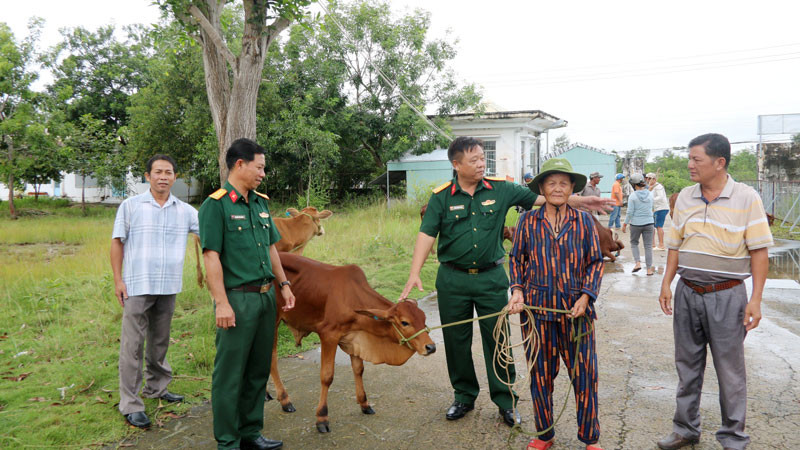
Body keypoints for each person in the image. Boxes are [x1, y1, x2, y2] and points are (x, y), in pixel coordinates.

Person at [399, 137, 613, 429]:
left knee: (498, 340)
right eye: (473, 160)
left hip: (490, 277)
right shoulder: (442, 197)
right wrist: (414, 272)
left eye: (481, 158)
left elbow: (546, 196)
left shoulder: (501, 189)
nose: (480, 164)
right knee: (456, 341)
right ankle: (463, 395)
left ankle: (506, 400)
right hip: (452, 279)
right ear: (456, 164)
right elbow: (427, 235)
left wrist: (584, 200)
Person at [657, 133, 772, 450]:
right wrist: (667, 283)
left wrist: (756, 299)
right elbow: (675, 245)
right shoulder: (684, 197)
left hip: (727, 294)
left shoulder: (746, 198)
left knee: (730, 370)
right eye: (690, 158)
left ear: (719, 162)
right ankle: (685, 429)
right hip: (687, 291)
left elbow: (760, 251)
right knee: (687, 365)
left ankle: (733, 436)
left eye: (697, 159)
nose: (690, 165)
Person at [198, 138, 296, 450]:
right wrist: (221, 303)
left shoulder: (260, 202)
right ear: (239, 165)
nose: (263, 173)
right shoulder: (215, 205)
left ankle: (251, 433)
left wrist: (284, 285)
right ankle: (228, 441)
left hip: (266, 298)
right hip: (236, 300)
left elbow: (271, 248)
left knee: (257, 371)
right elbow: (211, 257)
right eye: (259, 167)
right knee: (230, 375)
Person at [507, 158, 604, 450]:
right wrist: (517, 291)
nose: (557, 188)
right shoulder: (527, 221)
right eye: (551, 183)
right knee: (540, 376)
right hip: (536, 315)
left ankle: (590, 438)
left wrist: (586, 297)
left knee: (585, 376)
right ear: (542, 188)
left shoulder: (585, 221)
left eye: (563, 183)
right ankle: (545, 434)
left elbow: (595, 262)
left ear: (572, 188)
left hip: (577, 315)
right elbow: (516, 259)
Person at [111, 155, 199, 429]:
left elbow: (209, 232)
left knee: (160, 340)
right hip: (137, 285)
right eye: (158, 172)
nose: (163, 176)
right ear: (147, 176)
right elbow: (117, 243)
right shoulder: (131, 206)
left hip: (168, 285)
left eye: (168, 172)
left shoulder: (185, 210)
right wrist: (118, 280)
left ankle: (157, 388)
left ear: (175, 177)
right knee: (132, 345)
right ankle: (130, 403)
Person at [622, 174, 655, 276]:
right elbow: (652, 207)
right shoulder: (650, 194)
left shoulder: (633, 196)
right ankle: (649, 270)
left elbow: (630, 212)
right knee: (648, 246)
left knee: (634, 243)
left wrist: (625, 224)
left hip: (636, 224)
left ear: (633, 184)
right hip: (649, 223)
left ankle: (637, 263)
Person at [646, 172, 670, 250]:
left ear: (654, 179)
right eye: (647, 178)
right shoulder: (651, 187)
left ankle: (661, 245)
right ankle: (653, 245)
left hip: (661, 208)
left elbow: (660, 197)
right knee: (652, 226)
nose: (648, 180)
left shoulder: (658, 186)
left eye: (650, 178)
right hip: (655, 209)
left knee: (659, 226)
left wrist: (651, 200)